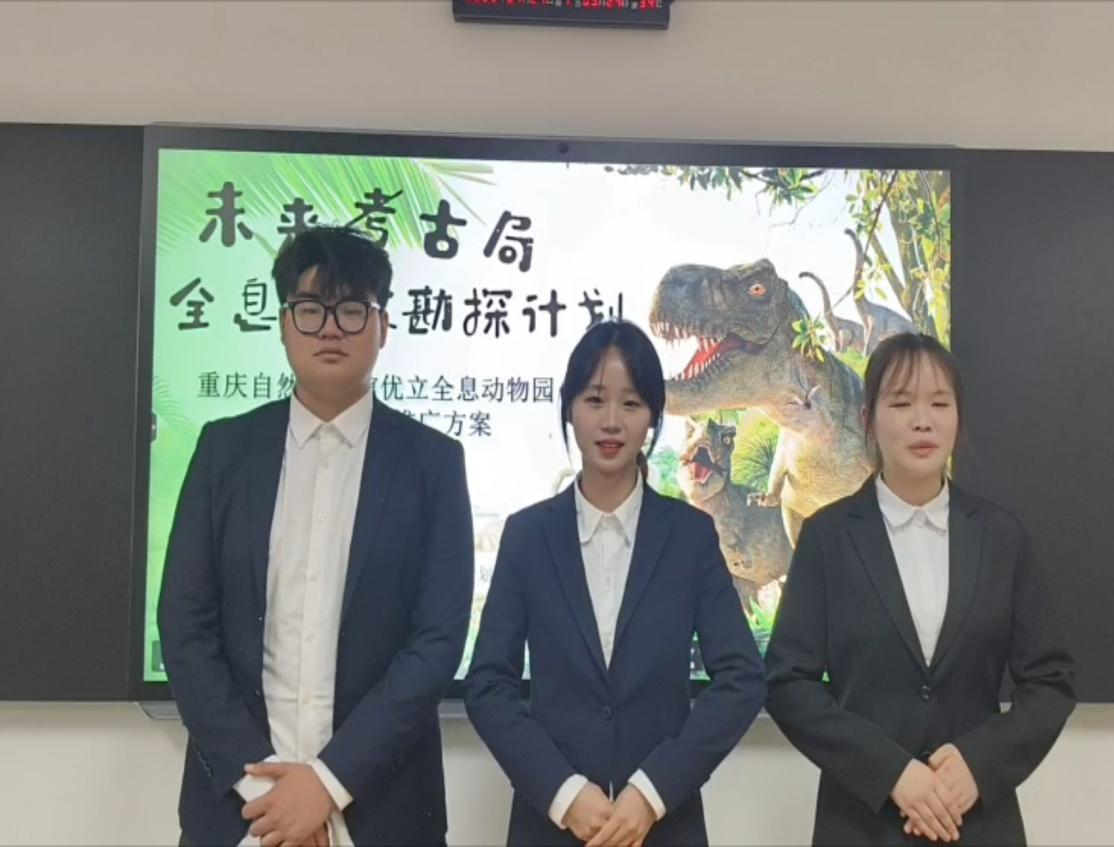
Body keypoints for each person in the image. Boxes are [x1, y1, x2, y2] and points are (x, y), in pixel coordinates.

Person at [159, 226, 474, 846]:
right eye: (310, 308)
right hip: (238, 815)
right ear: (283, 324)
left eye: (352, 309)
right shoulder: (224, 451)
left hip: (383, 814)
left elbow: (437, 641)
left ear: (383, 326)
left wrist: (327, 784)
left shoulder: (432, 463)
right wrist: (267, 796)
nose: (330, 328)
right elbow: (185, 626)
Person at [764, 332, 1075, 845]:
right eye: (902, 402)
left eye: (939, 403)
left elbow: (1051, 681)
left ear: (958, 417)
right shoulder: (828, 537)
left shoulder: (1001, 536)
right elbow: (787, 682)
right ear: (868, 419)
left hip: (975, 820)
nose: (922, 420)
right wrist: (891, 772)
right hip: (862, 822)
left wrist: (978, 765)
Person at [465, 319, 765, 846]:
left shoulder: (689, 535)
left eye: (631, 403)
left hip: (663, 827)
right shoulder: (528, 535)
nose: (610, 421)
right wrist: (563, 793)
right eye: (594, 399)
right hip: (550, 827)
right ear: (568, 408)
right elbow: (488, 684)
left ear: (653, 416)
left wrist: (652, 792)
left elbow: (742, 679)